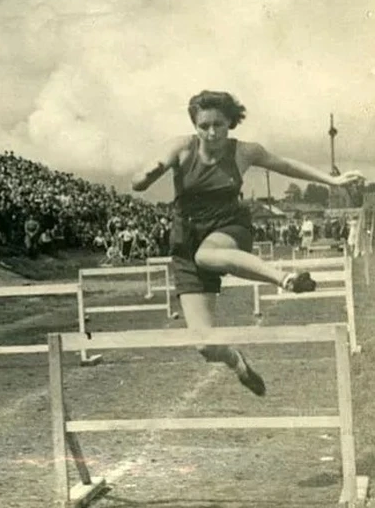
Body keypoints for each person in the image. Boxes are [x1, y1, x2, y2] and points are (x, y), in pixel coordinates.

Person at [131, 90, 364, 396]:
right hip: (185, 239)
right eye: (204, 126)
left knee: (208, 254)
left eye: (219, 125)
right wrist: (146, 177)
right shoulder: (182, 147)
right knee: (205, 344)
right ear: (195, 125)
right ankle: (237, 362)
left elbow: (286, 165)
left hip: (228, 226)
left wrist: (331, 180)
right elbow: (139, 178)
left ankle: (286, 279)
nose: (212, 133)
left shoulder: (244, 152)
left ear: (230, 123)